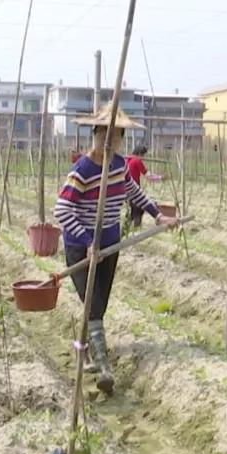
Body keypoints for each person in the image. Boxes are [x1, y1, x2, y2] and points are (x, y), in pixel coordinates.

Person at [53, 106, 177, 393]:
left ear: (121, 139)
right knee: (92, 304)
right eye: (104, 135)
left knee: (99, 306)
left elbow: (134, 192)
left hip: (111, 244)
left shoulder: (120, 165)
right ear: (95, 134)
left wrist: (158, 215)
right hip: (81, 248)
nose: (109, 141)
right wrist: (87, 241)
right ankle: (104, 366)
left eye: (116, 136)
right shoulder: (82, 169)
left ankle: (83, 350)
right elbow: (62, 209)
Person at [125, 144, 162, 227]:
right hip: (134, 190)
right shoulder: (137, 160)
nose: (144, 157)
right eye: (143, 155)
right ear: (140, 154)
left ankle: (126, 229)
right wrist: (161, 178)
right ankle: (134, 229)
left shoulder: (126, 159)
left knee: (134, 210)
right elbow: (149, 176)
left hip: (124, 190)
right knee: (138, 209)